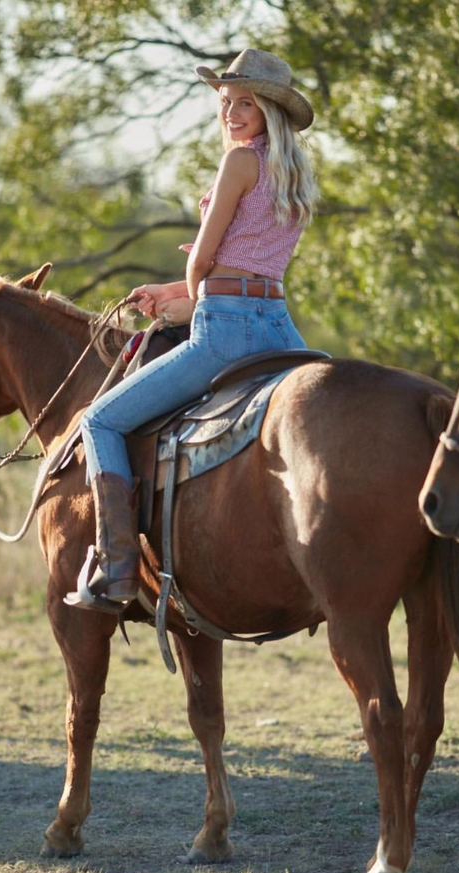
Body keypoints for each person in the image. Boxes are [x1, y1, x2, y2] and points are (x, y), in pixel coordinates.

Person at [74, 48, 318, 608]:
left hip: (226, 330)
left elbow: (204, 262)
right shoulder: (292, 171)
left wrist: (189, 289)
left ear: (268, 111)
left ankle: (116, 567)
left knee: (100, 420)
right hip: (277, 323)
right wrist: (176, 297)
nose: (231, 113)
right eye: (226, 103)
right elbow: (251, 266)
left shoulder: (238, 163)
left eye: (245, 104)